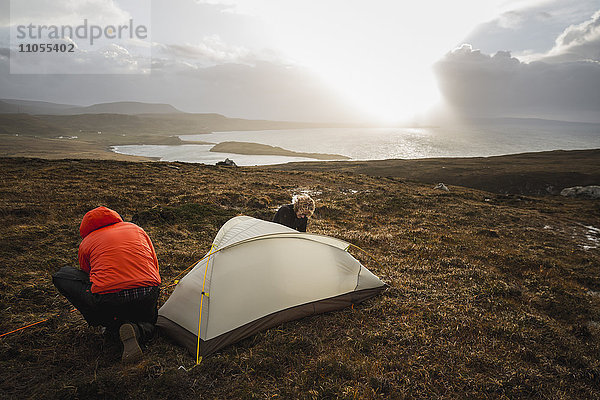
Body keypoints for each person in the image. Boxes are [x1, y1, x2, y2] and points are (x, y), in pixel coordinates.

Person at [52, 206, 161, 363]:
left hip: (110, 299)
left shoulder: (86, 242)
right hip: (147, 293)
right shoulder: (136, 229)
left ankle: (111, 326)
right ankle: (137, 330)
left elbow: (88, 275)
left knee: (62, 275)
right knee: (150, 322)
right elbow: (153, 263)